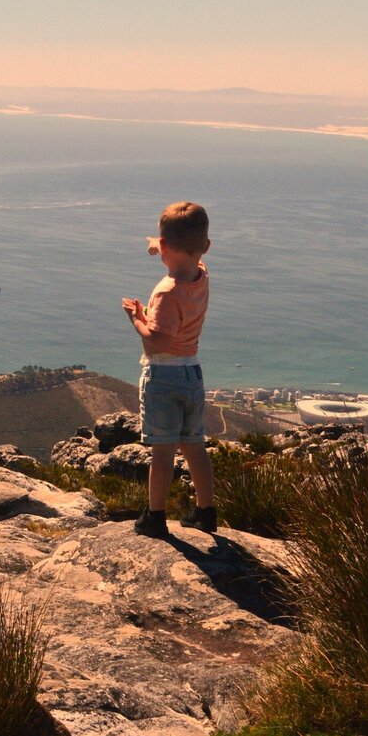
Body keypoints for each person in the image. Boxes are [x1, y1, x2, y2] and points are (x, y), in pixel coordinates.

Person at [121, 201, 214, 537]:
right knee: (194, 446)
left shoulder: (166, 293)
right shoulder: (201, 276)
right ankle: (206, 511)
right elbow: (188, 251)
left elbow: (158, 340)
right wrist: (158, 245)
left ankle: (155, 517)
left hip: (164, 376)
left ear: (164, 247)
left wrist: (136, 318)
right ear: (205, 247)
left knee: (163, 451)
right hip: (192, 373)